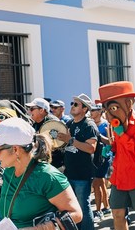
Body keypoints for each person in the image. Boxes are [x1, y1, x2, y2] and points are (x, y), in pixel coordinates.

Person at [0, 117, 82, 229]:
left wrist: (37, 229)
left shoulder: (47, 176)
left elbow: (76, 214)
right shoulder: (9, 171)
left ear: (15, 149)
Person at [97, 81, 135, 230]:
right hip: (120, 177)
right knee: (116, 213)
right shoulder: (115, 125)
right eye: (107, 110)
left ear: (128, 103)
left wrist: (122, 134)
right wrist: (111, 146)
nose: (109, 115)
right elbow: (119, 146)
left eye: (114, 108)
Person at [57, 94, 98, 230]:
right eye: (72, 103)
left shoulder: (89, 125)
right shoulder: (69, 124)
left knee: (83, 206)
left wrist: (70, 140)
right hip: (69, 172)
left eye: (76, 104)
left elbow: (91, 148)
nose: (72, 106)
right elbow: (63, 141)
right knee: (73, 207)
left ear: (85, 109)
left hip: (82, 174)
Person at [90, 103, 112, 222]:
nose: (91, 112)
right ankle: (106, 206)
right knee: (101, 182)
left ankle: (98, 211)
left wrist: (98, 136)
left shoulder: (106, 124)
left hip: (103, 157)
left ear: (99, 111)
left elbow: (110, 142)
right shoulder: (90, 123)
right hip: (93, 157)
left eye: (93, 110)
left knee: (96, 183)